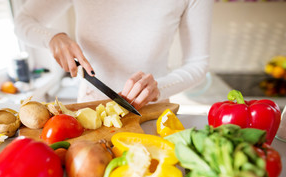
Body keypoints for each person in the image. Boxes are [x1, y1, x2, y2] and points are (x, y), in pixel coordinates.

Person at [14, 0, 213, 109]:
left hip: (150, 111)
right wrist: (52, 37)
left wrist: (158, 88)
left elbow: (198, 64)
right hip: (89, 110)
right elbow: (23, 20)